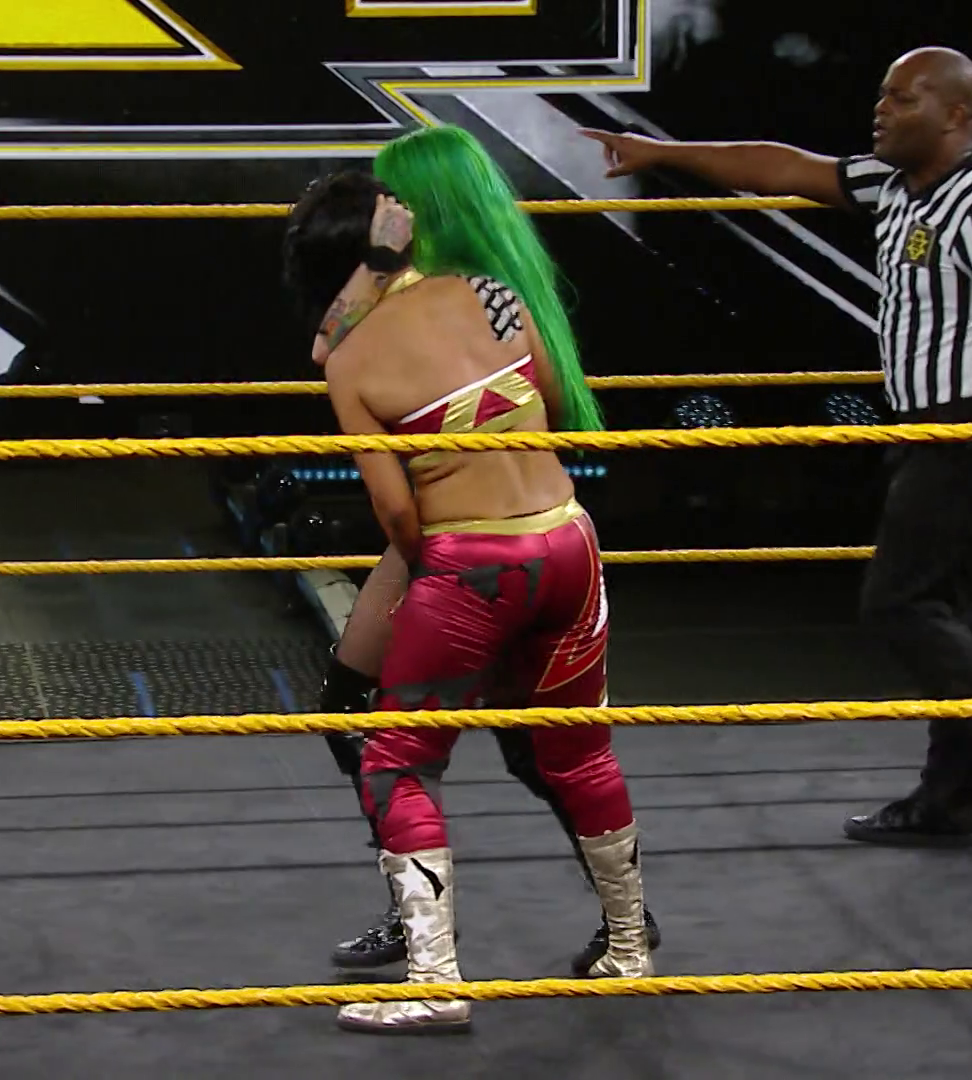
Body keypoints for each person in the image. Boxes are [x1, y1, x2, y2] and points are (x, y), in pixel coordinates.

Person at [580, 46, 972, 846]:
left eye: (904, 98)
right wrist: (662, 151)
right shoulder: (894, 185)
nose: (881, 110)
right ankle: (951, 801)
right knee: (953, 615)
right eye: (882, 95)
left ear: (956, 115)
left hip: (969, 429)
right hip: (922, 425)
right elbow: (777, 165)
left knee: (899, 602)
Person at [283, 168, 652, 1037]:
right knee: (579, 753)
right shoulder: (495, 294)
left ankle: (435, 980)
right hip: (568, 538)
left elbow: (395, 513)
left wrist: (448, 581)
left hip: (471, 561)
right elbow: (550, 401)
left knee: (396, 762)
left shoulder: (353, 360)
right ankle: (630, 948)